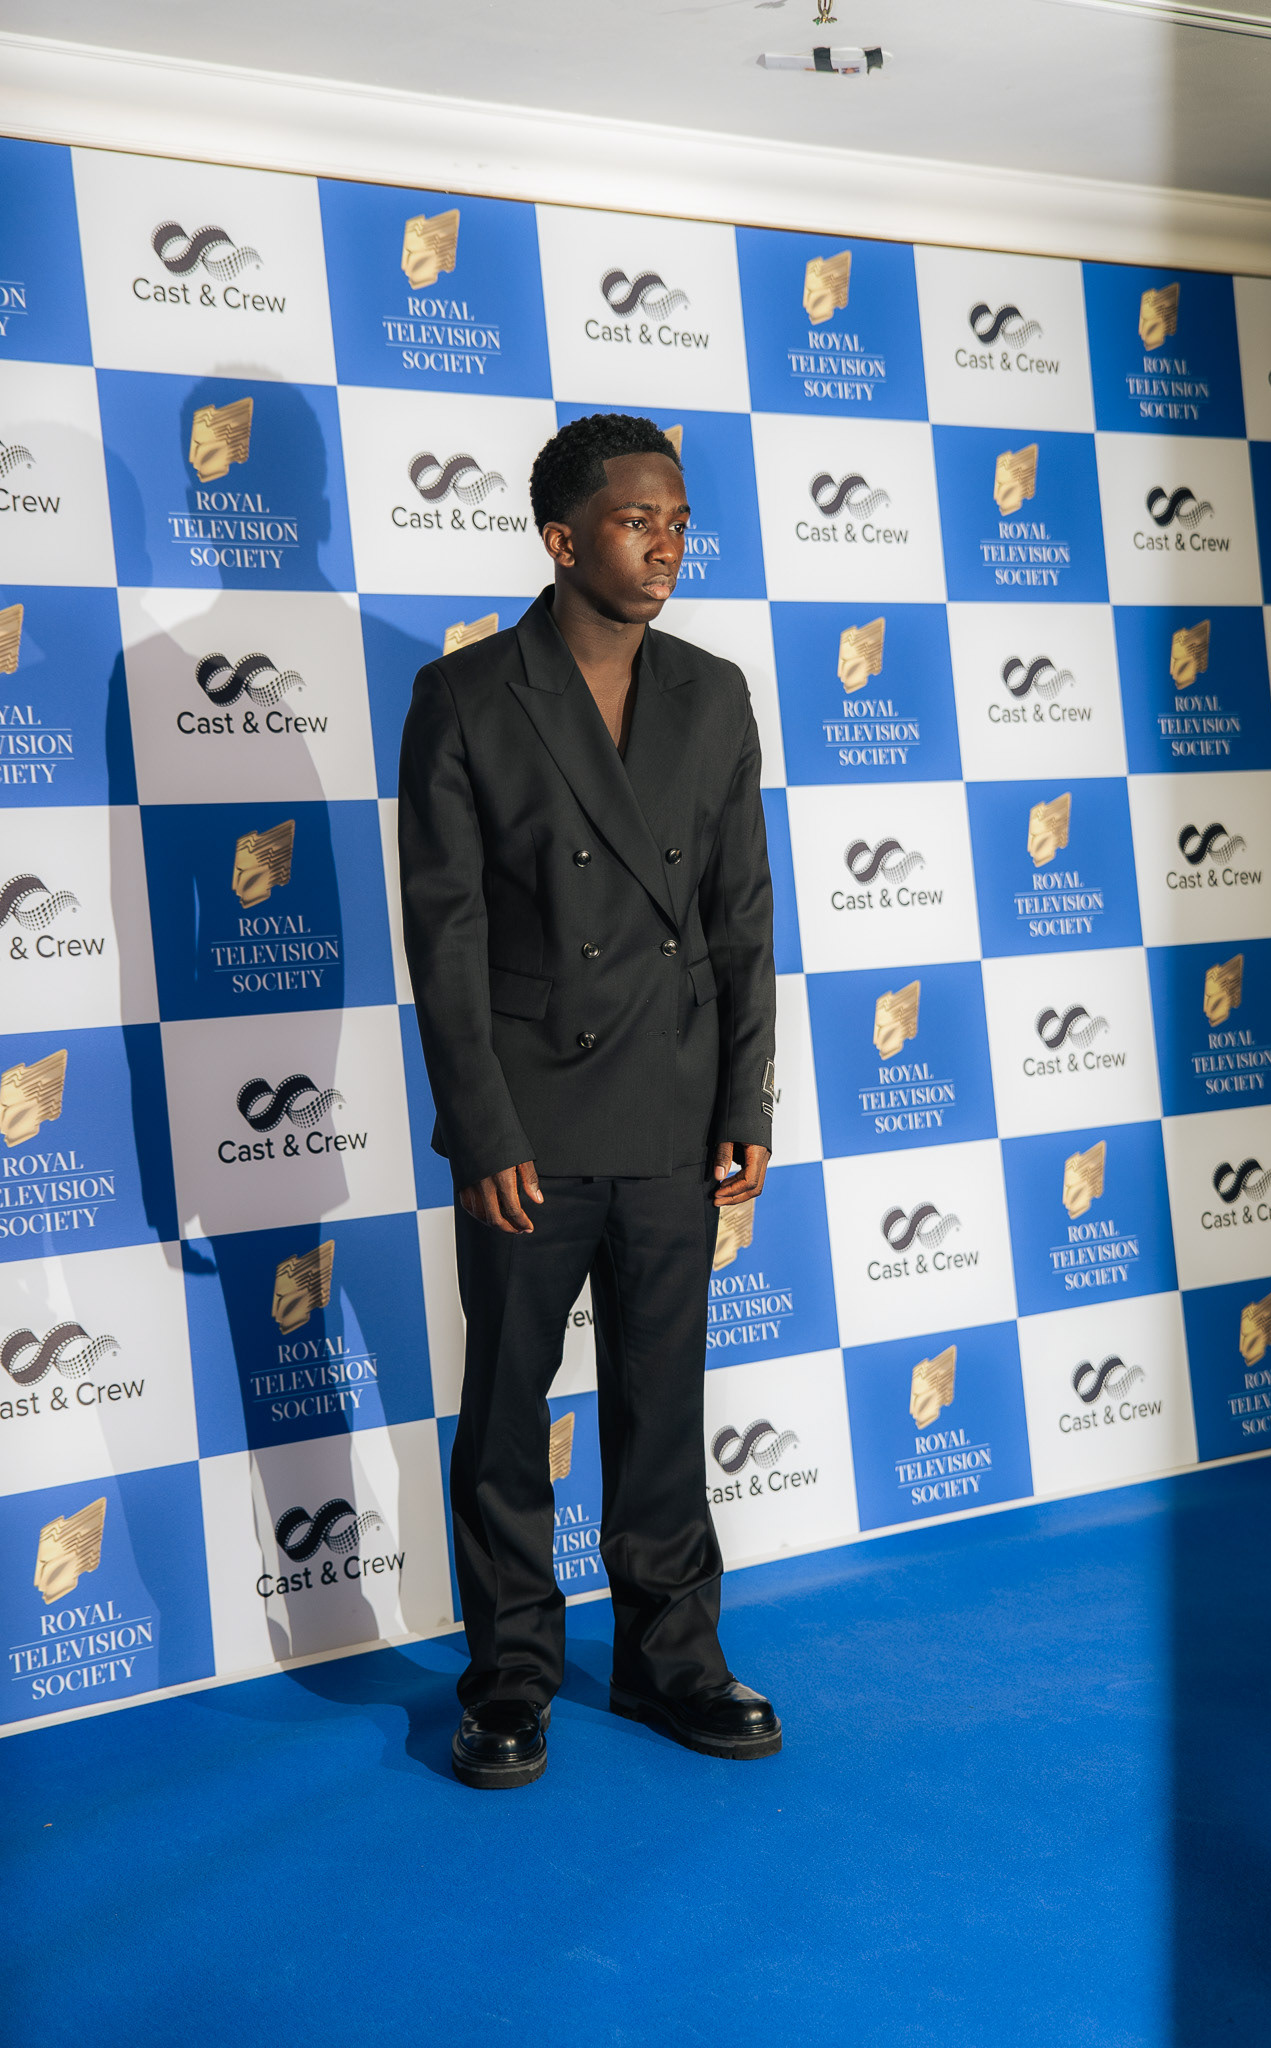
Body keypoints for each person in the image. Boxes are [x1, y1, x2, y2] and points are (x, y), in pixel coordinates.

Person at [398, 412, 780, 1789]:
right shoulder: (467, 697)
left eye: (678, 523)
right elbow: (443, 937)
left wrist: (747, 1097)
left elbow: (742, 916)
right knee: (506, 1409)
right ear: (563, 540)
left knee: (663, 1405)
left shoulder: (713, 693)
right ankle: (510, 1674)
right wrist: (483, 1129)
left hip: (675, 1113)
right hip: (531, 1129)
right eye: (636, 522)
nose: (666, 545)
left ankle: (673, 1659)